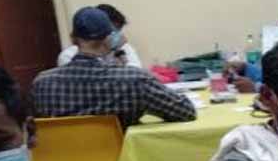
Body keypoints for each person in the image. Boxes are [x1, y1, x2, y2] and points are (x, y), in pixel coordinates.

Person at [33, 7, 197, 128]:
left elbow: (35, 129)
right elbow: (186, 111)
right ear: (109, 39)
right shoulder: (135, 80)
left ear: (72, 39)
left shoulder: (41, 83)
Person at [57, 3, 143, 68]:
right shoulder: (68, 55)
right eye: (112, 31)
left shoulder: (123, 48)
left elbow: (136, 72)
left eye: (118, 30)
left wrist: (120, 55)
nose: (116, 35)